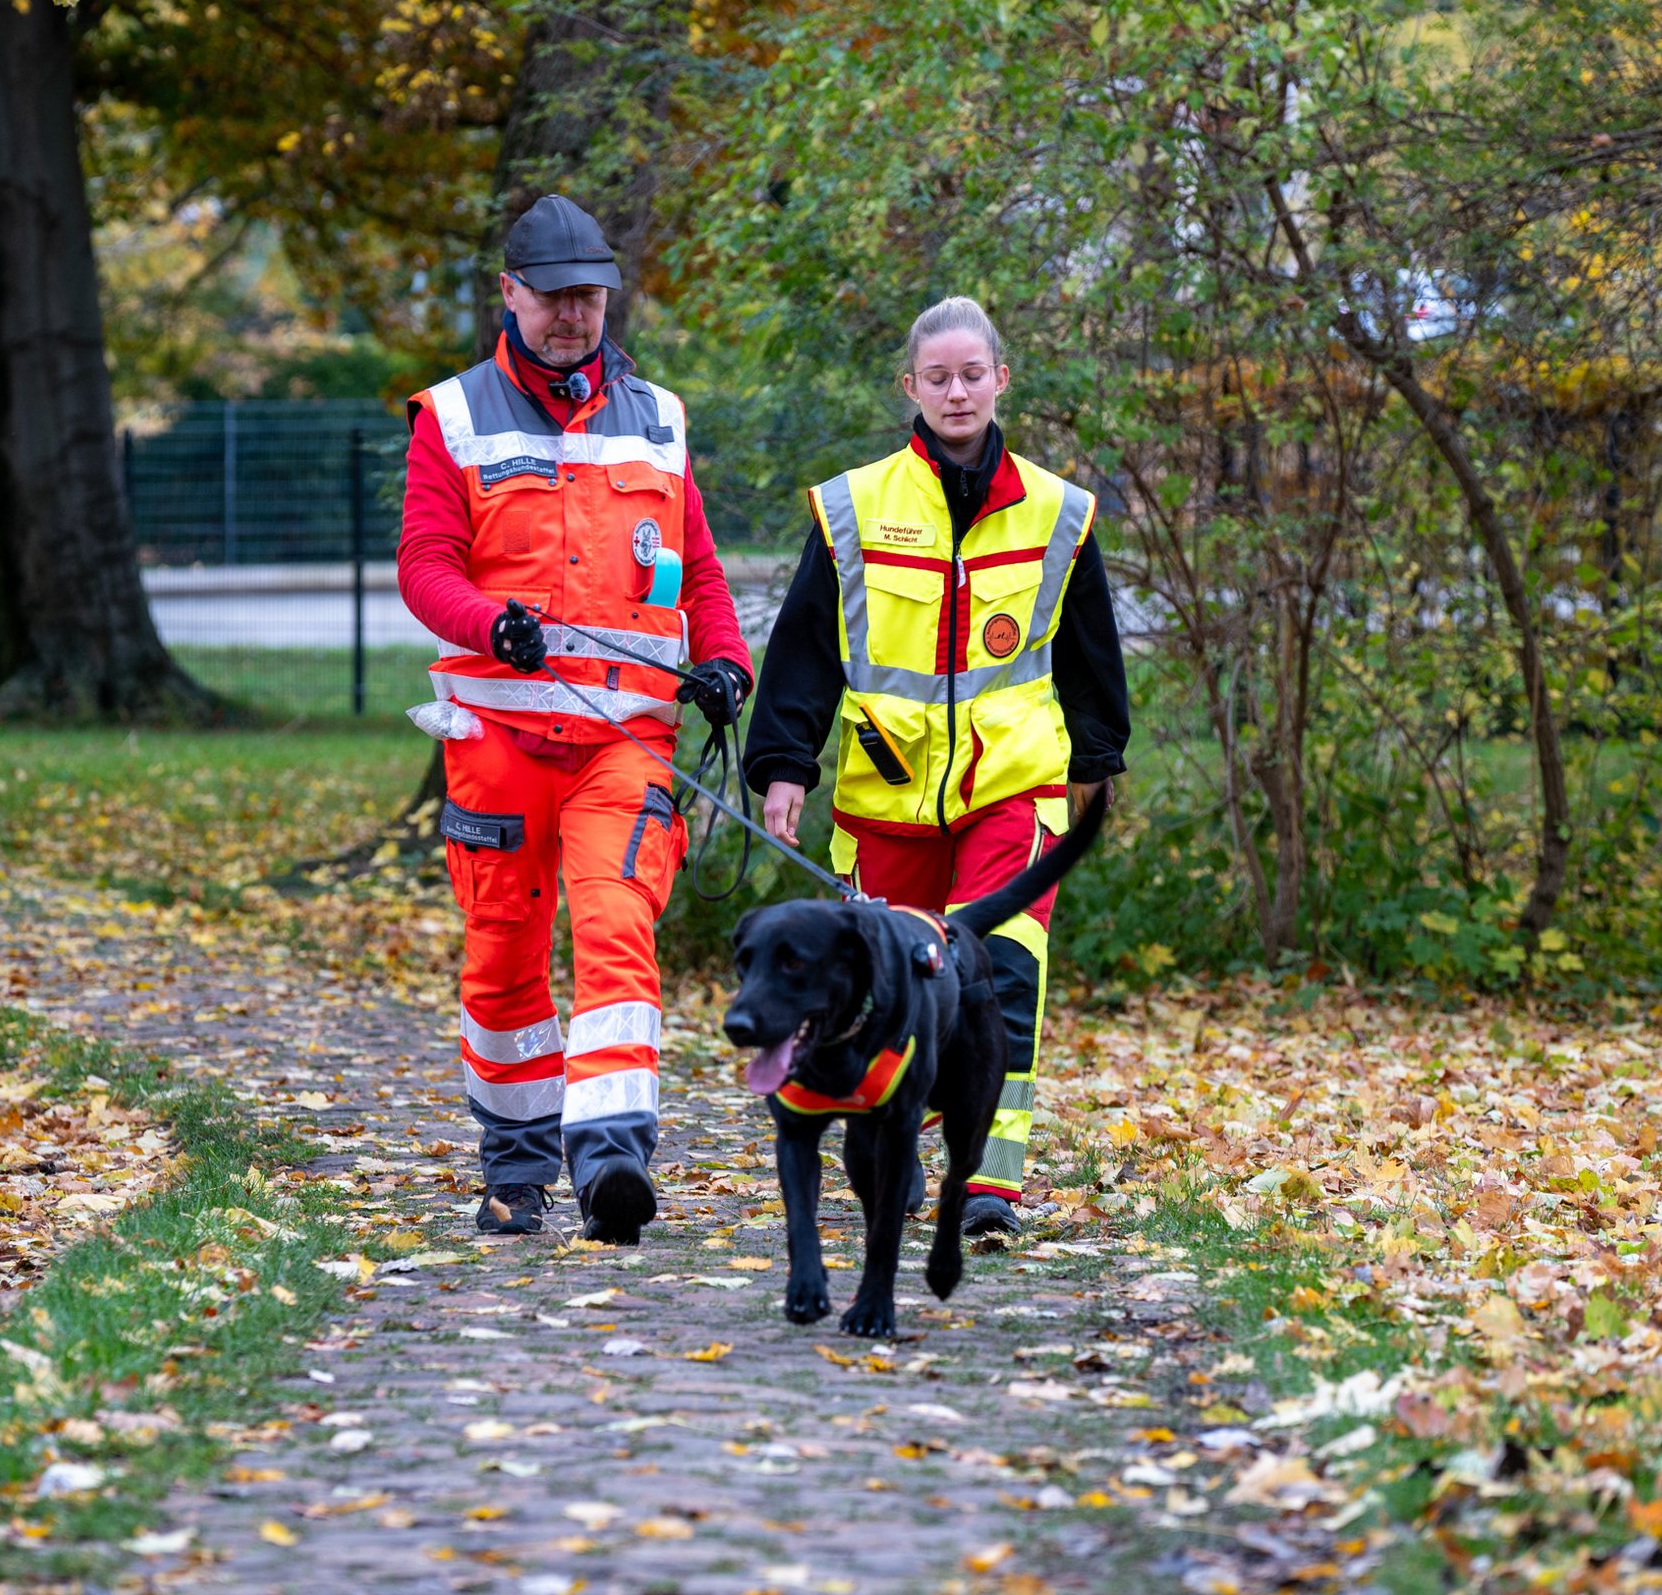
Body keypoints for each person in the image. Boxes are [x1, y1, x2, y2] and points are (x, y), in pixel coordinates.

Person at [397, 194, 752, 1243]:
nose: (572, 317)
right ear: (510, 294)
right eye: (553, 298)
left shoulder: (660, 418)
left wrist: (724, 660)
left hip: (624, 742)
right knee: (503, 951)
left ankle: (609, 1165)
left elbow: (702, 572)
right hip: (497, 744)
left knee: (615, 929)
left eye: (588, 298)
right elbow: (424, 567)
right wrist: (485, 621)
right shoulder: (451, 418)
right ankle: (515, 1170)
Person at [742, 295, 1130, 1237]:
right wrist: (785, 764)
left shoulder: (1058, 512)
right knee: (892, 985)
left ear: (1002, 378)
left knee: (997, 974)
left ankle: (989, 1182)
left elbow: (1090, 653)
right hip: (884, 798)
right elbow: (804, 649)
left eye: (972, 374)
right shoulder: (853, 506)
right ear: (910, 387)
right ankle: (896, 1141)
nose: (956, 392)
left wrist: (1097, 762)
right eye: (938, 377)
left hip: (1015, 787)